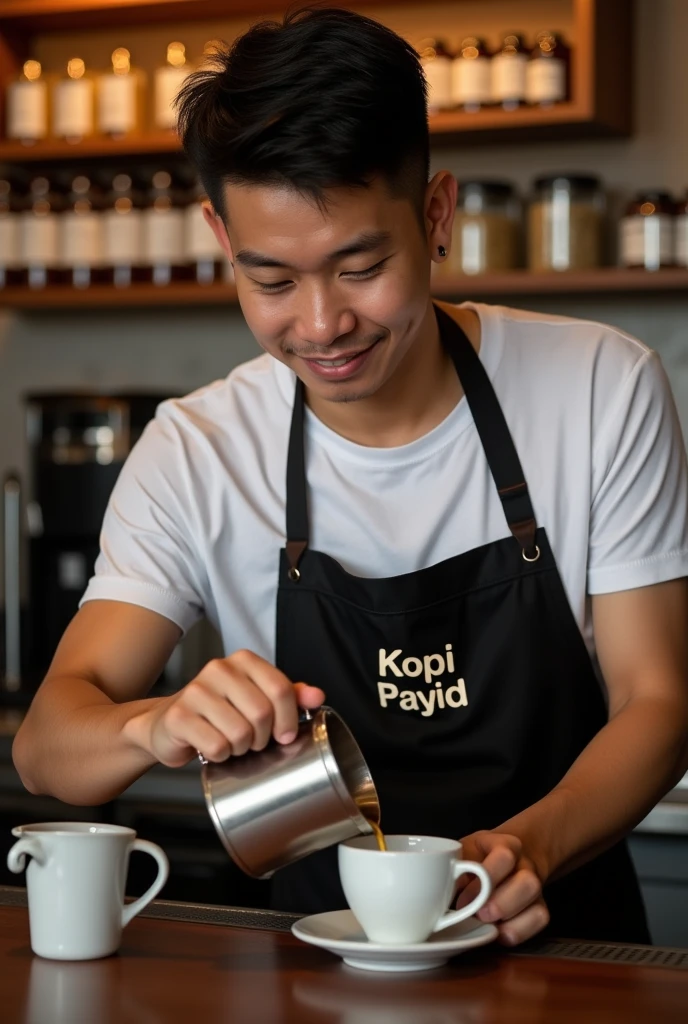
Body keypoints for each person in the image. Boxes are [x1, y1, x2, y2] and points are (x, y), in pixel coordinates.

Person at [13, 7, 688, 946]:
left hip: (567, 938)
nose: (322, 324)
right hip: (305, 963)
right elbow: (48, 744)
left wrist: (530, 848)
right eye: (273, 282)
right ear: (220, 235)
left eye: (361, 265)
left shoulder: (599, 387)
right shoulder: (200, 447)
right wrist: (155, 725)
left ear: (436, 215)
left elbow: (659, 701)